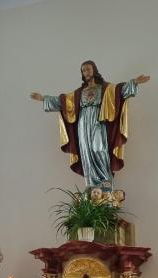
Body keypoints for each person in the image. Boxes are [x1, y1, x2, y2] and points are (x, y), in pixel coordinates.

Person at [30, 61, 150, 193]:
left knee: (99, 149)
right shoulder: (79, 93)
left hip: (98, 122)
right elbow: (63, 102)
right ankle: (91, 185)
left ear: (94, 70)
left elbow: (119, 91)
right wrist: (43, 98)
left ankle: (106, 184)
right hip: (82, 124)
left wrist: (134, 82)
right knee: (86, 152)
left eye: (88, 69)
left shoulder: (105, 88)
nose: (86, 72)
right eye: (83, 71)